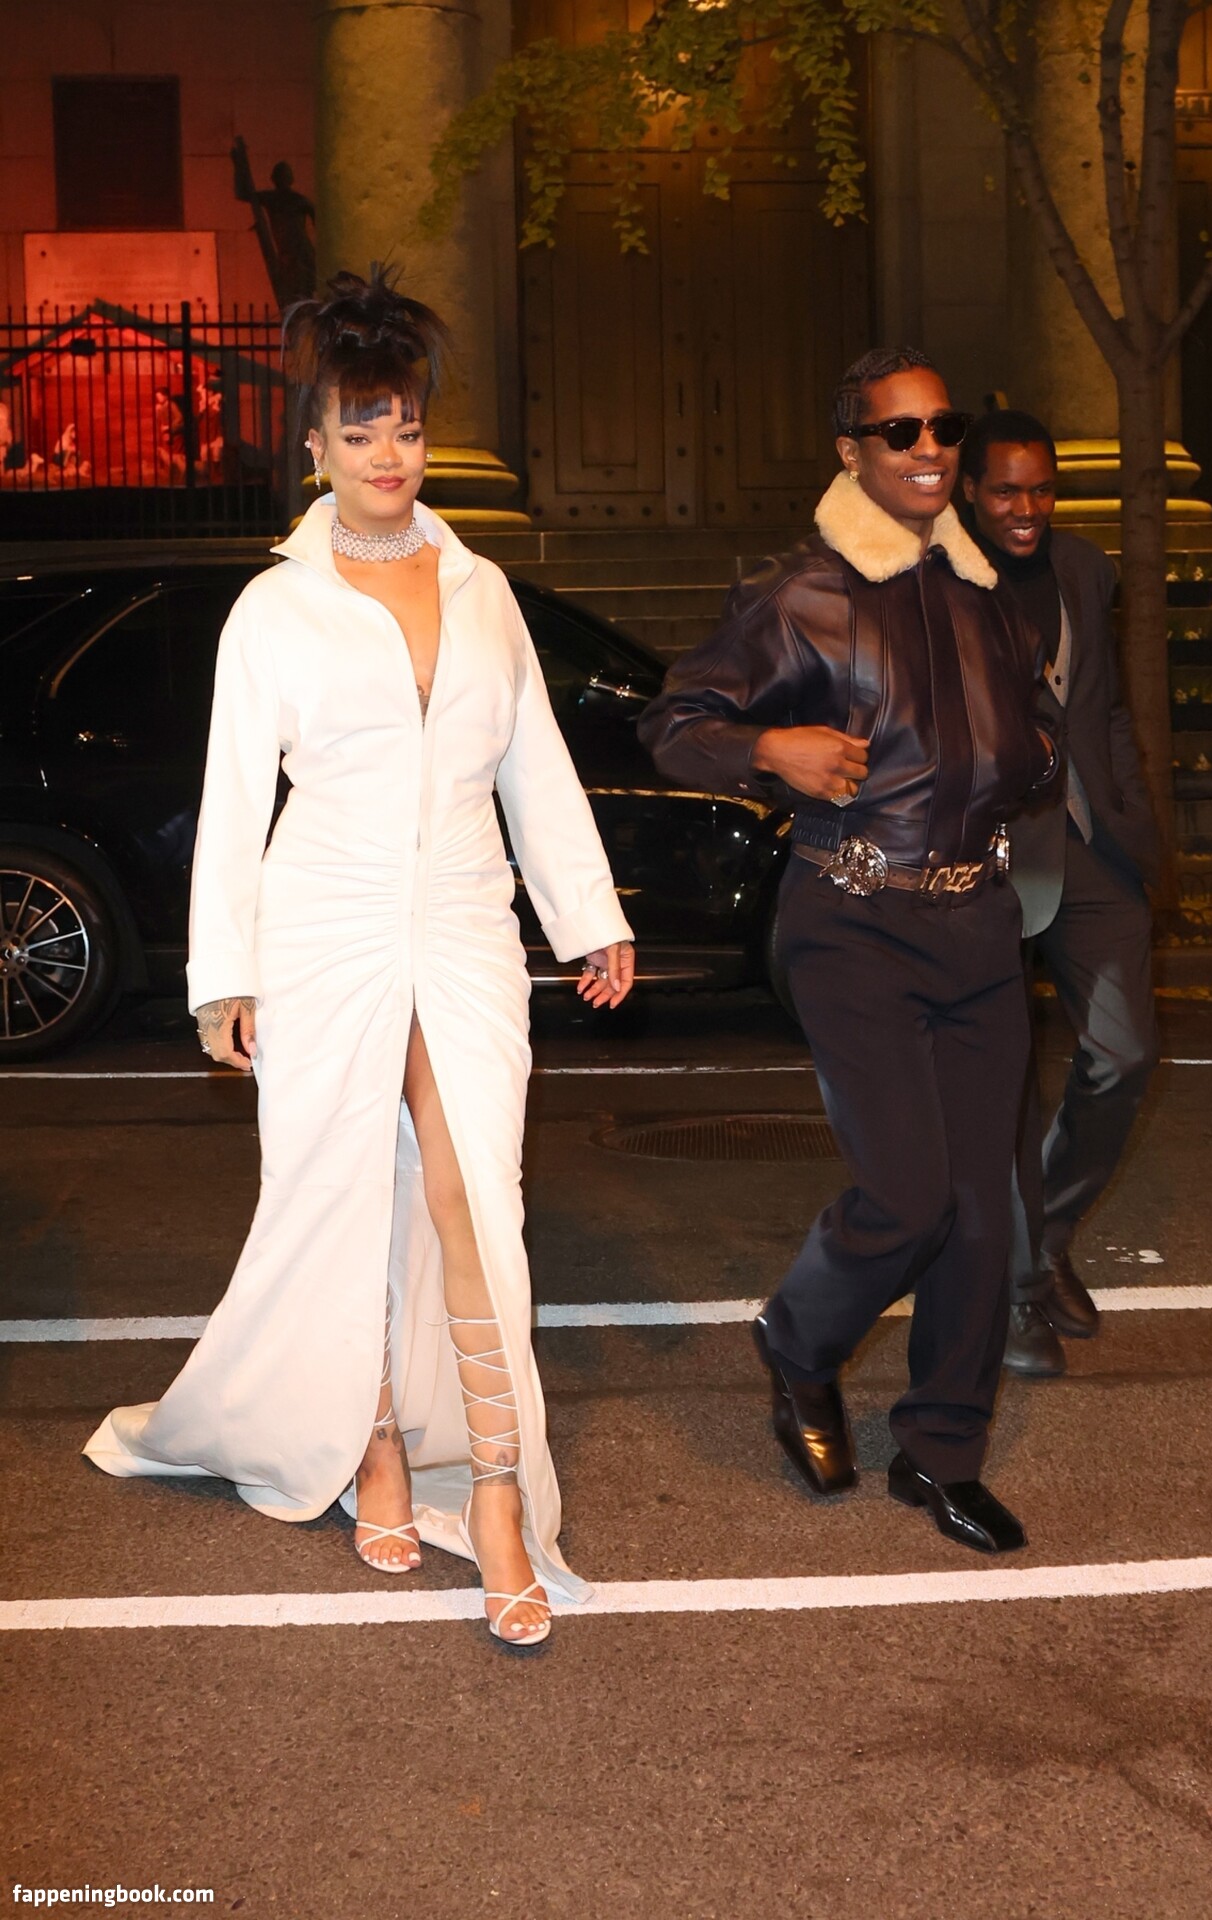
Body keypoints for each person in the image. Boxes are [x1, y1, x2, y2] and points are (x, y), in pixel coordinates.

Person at [85, 267, 635, 1648]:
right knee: (341, 1203)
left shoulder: (483, 588)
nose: (389, 453)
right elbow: (232, 800)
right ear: (316, 446)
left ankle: (497, 1493)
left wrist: (589, 915)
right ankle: (374, 1442)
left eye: (407, 427)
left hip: (464, 920)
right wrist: (223, 976)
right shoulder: (273, 609)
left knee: (473, 1199)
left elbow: (534, 762)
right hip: (322, 926)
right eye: (360, 428)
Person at [639, 348, 1058, 1555]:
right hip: (851, 919)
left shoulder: (986, 589)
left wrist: (1029, 752)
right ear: (851, 451)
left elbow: (1029, 732)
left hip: (976, 921)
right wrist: (769, 752)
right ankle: (798, 1340)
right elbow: (673, 722)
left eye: (943, 429)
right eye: (898, 432)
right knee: (908, 1195)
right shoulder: (798, 595)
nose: (927, 450)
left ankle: (940, 1453)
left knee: (980, 1214)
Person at [959, 411, 1160, 1377]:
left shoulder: (1084, 567)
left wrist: (1131, 819)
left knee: (1124, 1053)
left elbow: (1103, 705)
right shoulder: (935, 578)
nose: (1026, 508)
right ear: (970, 490)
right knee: (1003, 1085)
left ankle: (1045, 1239)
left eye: (1041, 489)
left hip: (1089, 847)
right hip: (985, 859)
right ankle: (1013, 1293)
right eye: (1006, 490)